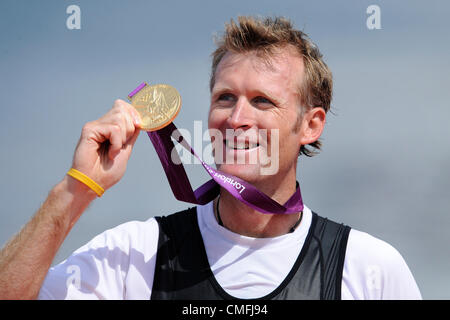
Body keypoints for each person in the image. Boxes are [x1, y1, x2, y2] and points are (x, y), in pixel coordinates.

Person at [0, 16, 421, 300]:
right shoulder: (136, 256)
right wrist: (74, 191)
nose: (236, 119)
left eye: (262, 101)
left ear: (311, 125)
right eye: (225, 98)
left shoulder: (368, 270)